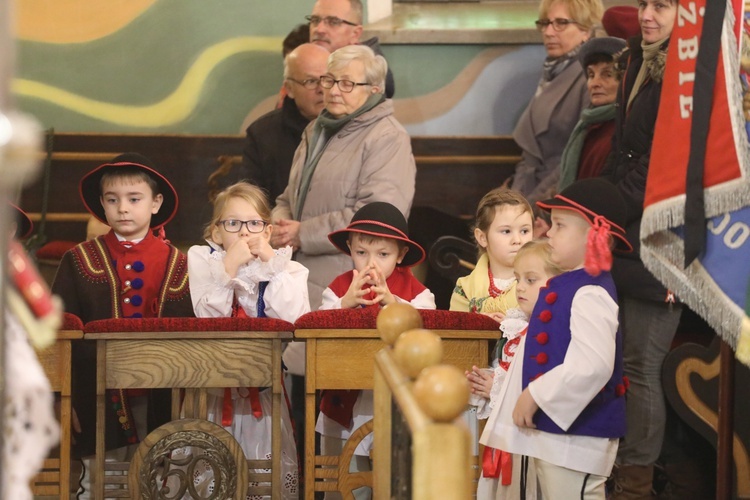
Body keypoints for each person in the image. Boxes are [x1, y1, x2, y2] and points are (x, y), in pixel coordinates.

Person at [51, 153, 194, 498]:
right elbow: (56, 332)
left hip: (163, 396)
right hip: (96, 397)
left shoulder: (180, 263)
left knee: (162, 480)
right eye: (112, 200)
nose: (123, 209)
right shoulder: (78, 260)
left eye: (134, 199)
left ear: (156, 203)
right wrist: (60, 397)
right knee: (100, 482)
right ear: (102, 204)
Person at [481, 178, 632, 500]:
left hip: (578, 435)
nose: (548, 232)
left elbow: (592, 365)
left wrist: (536, 393)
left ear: (594, 236)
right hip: (559, 434)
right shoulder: (572, 284)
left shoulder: (591, 291)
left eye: (560, 225)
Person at [599, 1, 681, 497]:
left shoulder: (691, 73)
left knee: (641, 366)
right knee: (618, 361)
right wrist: (593, 206)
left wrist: (605, 210)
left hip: (666, 234)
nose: (647, 15)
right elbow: (622, 149)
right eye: (644, 3)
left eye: (662, 6)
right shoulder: (639, 59)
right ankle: (615, 463)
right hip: (625, 230)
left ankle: (636, 481)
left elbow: (661, 165)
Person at [186, 181, 309, 499]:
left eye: (254, 223)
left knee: (263, 475)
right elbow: (207, 318)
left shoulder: (288, 269)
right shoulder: (204, 260)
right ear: (216, 233)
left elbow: (293, 318)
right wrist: (230, 265)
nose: (244, 232)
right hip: (213, 395)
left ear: (267, 231)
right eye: (233, 224)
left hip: (265, 397)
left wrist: (272, 263)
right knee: (212, 474)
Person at [271, 44, 415, 310]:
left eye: (347, 83)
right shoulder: (316, 129)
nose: (335, 90)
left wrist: (303, 233)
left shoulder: (388, 137)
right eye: (330, 80)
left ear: (374, 89)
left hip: (348, 283)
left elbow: (377, 219)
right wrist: (278, 227)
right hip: (297, 274)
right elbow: (289, 196)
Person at [316, 201, 435, 499]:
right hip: (343, 408)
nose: (371, 264)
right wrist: (344, 304)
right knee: (344, 488)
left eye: (383, 254)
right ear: (350, 248)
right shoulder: (336, 289)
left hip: (398, 409)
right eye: (361, 253)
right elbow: (317, 332)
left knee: (396, 487)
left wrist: (393, 303)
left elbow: (426, 335)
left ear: (401, 254)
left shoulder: (419, 294)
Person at [466, 239, 563, 500]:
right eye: (518, 278)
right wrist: (487, 381)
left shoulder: (550, 332)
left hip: (531, 442)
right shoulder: (516, 326)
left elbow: (537, 383)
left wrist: (496, 386)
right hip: (507, 437)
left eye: (531, 280)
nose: (520, 287)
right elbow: (510, 370)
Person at [510, 0, 603, 211]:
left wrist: (532, 207)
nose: (549, 32)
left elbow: (575, 158)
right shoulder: (552, 72)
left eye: (561, 23)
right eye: (545, 23)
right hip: (526, 194)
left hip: (557, 202)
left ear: (586, 30)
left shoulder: (589, 79)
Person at [240, 43, 330, 204]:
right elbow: (252, 201)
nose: (322, 89)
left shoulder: (353, 127)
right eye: (311, 81)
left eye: (327, 79)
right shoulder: (262, 134)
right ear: (289, 88)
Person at [450, 188, 534, 323]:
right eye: (506, 231)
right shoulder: (465, 289)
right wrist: (479, 323)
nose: (517, 240)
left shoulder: (543, 282)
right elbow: (456, 334)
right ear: (482, 237)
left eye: (524, 231)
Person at [558, 36, 626, 191]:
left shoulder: (624, 127)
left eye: (607, 74)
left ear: (625, 79)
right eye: (591, 74)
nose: (595, 83)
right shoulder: (586, 126)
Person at [307, 0, 395, 98]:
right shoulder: (302, 57)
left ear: (356, 33)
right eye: (315, 20)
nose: (319, 29)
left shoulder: (367, 80)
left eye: (333, 22)